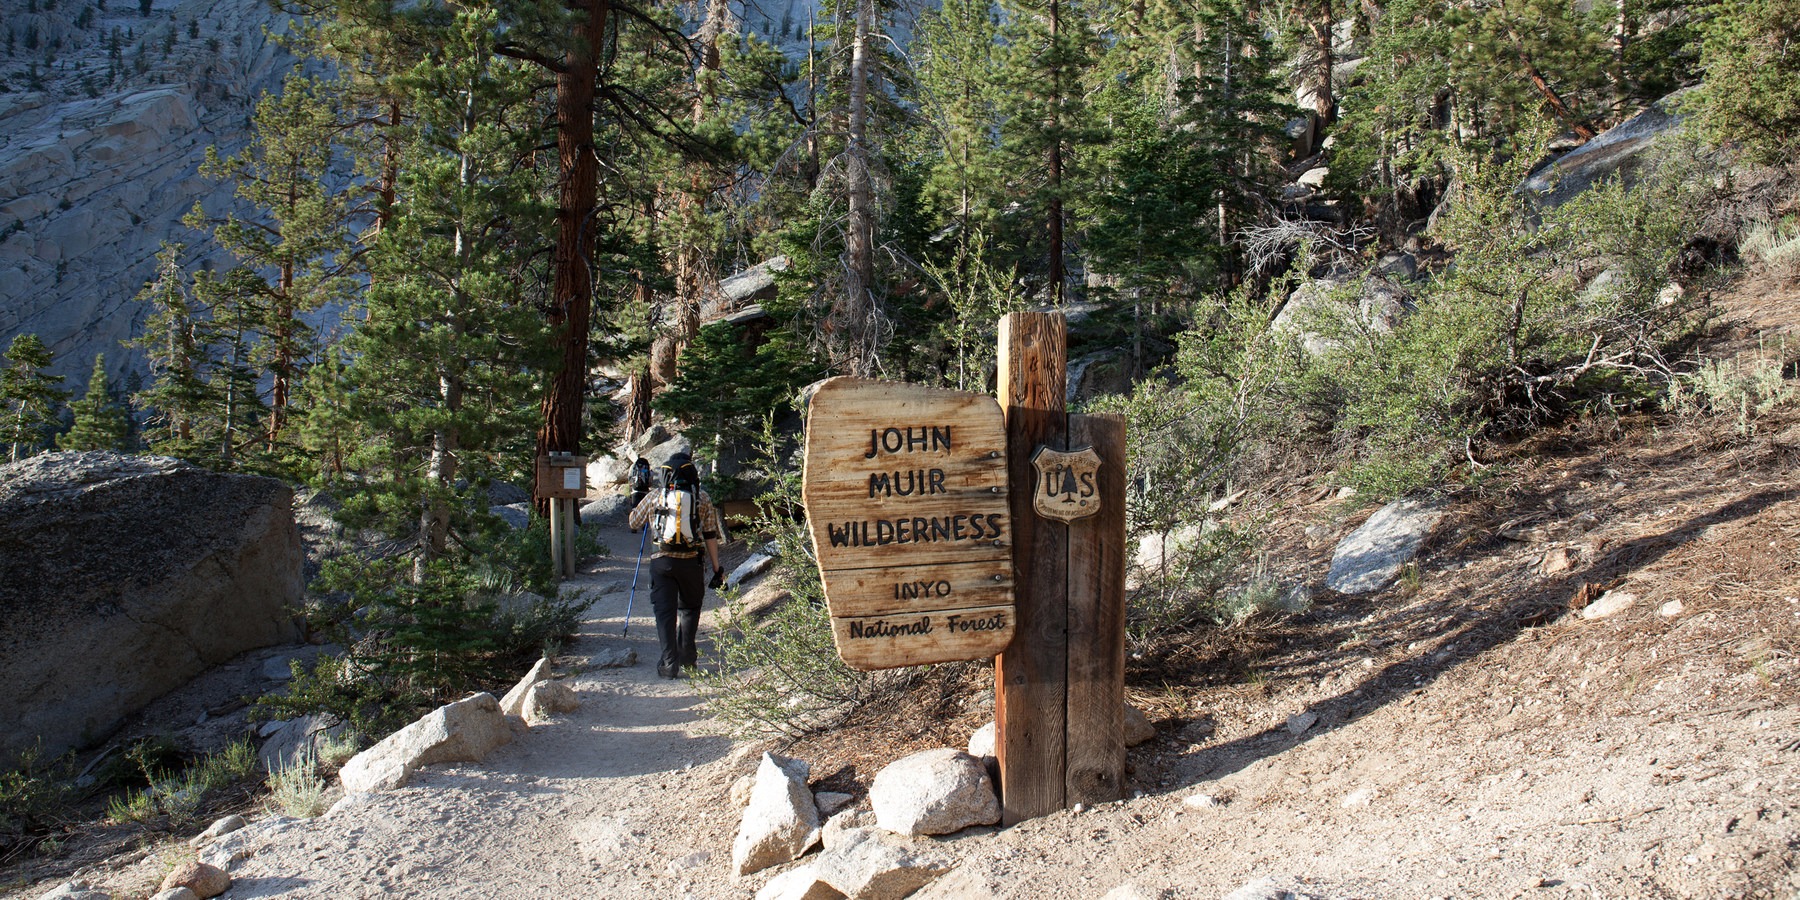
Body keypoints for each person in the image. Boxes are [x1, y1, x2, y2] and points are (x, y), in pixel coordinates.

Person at [626, 452, 725, 678]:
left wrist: (635, 497)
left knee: (664, 612)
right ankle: (688, 658)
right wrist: (717, 568)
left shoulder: (655, 497)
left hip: (662, 562)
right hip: (692, 562)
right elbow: (711, 535)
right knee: (689, 608)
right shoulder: (704, 498)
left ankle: (670, 663)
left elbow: (633, 522)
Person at [627, 457, 654, 532]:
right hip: (645, 491)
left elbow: (629, 479)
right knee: (644, 508)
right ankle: (644, 526)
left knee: (634, 508)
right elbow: (650, 482)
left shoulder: (633, 468)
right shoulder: (648, 470)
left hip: (635, 491)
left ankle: (633, 527)